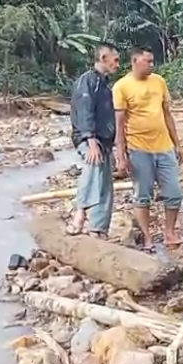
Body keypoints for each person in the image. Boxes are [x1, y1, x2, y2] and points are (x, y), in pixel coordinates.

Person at [113, 47, 183, 253]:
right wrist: (121, 155)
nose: (152, 65)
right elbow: (119, 124)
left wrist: (177, 143)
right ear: (135, 62)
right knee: (142, 195)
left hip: (164, 147)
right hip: (138, 149)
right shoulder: (122, 87)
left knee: (174, 193)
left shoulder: (159, 81)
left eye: (153, 61)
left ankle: (169, 232)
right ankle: (147, 237)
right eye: (148, 61)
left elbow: (167, 114)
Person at [68, 43, 120, 238]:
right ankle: (79, 212)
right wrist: (90, 140)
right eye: (115, 60)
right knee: (94, 164)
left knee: (106, 184)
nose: (117, 64)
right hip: (88, 138)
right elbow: (84, 111)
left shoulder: (105, 84)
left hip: (104, 141)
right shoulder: (88, 81)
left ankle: (98, 228)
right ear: (103, 58)